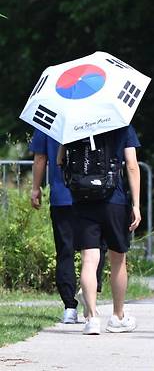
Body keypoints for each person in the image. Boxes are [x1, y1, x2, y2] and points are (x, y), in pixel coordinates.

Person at [60, 126, 142, 335]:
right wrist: (136, 205)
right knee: (118, 259)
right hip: (115, 200)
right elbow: (132, 165)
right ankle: (117, 316)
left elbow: (61, 160)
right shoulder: (121, 124)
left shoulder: (74, 125)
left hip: (83, 199)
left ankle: (92, 318)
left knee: (89, 259)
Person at [29, 130, 106, 323]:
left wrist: (35, 188)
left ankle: (70, 307)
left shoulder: (49, 122)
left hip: (62, 197)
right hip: (92, 193)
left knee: (65, 251)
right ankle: (89, 295)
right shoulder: (98, 118)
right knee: (95, 248)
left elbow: (40, 158)